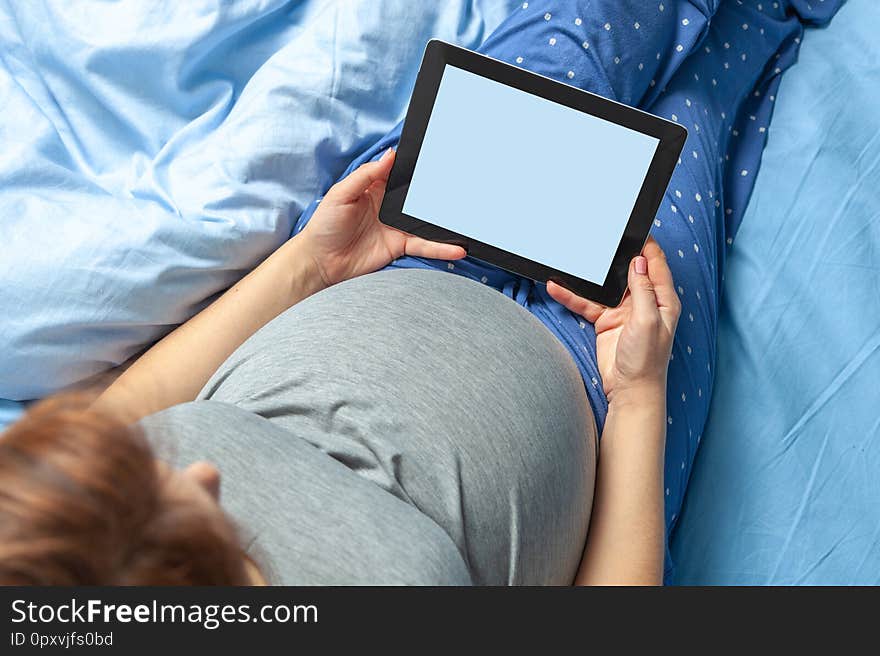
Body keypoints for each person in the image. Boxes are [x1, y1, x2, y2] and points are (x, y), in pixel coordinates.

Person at [0, 147, 678, 585]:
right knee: (699, 130)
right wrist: (640, 396)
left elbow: (118, 417)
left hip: (395, 254)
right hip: (603, 374)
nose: (205, 473)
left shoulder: (50, 539)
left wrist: (314, 264)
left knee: (578, 36)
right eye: (196, 528)